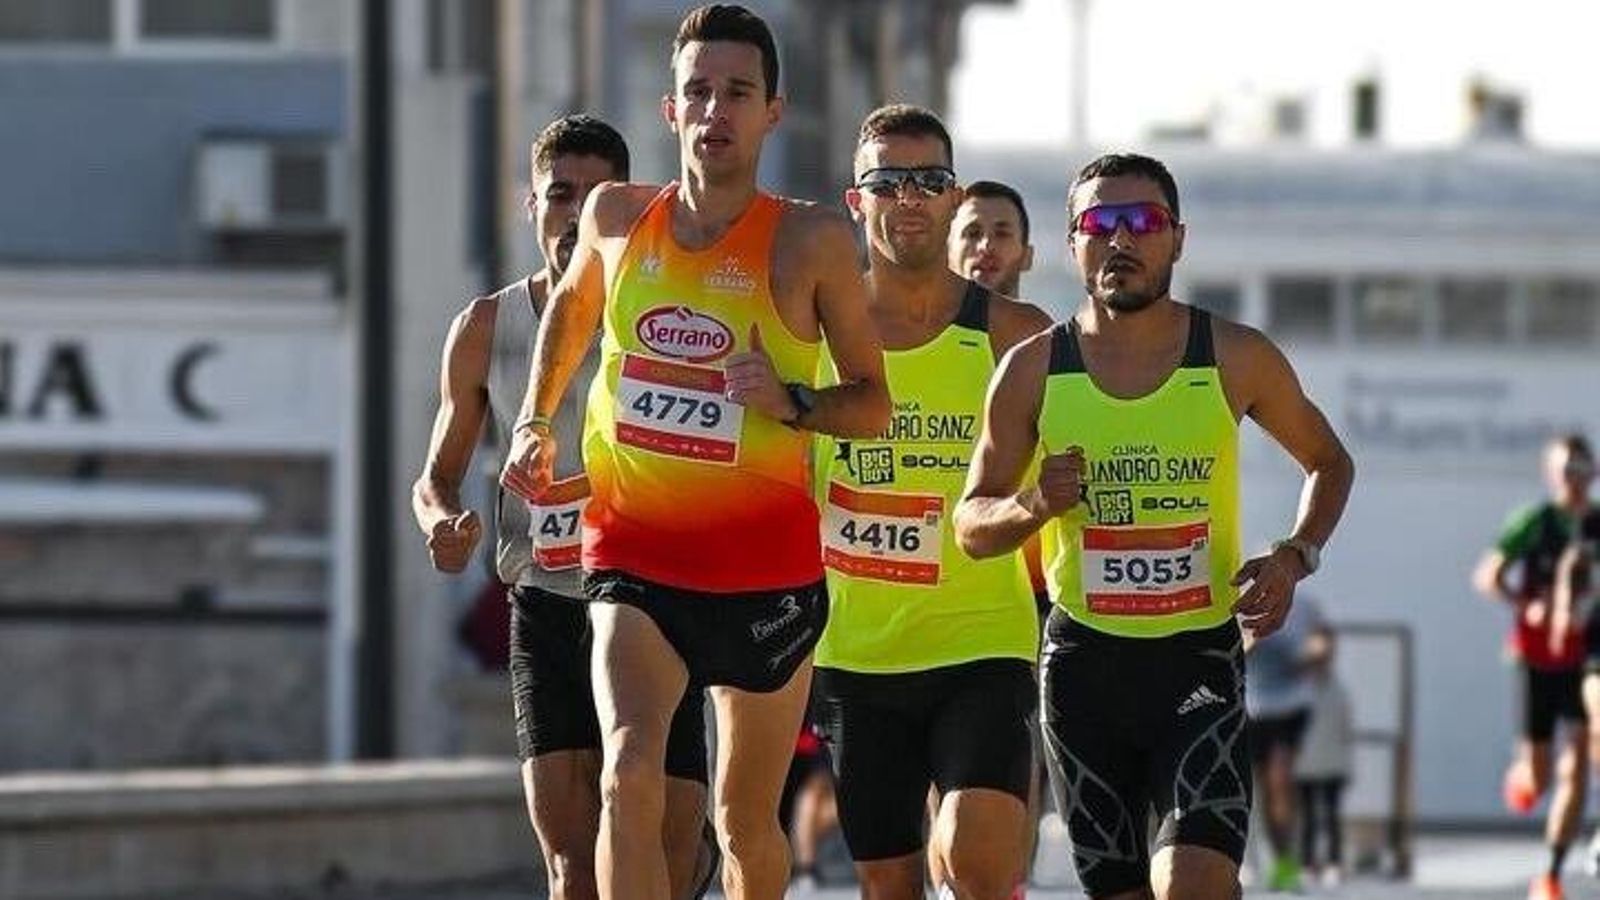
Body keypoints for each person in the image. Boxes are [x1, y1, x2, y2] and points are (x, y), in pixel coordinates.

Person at [498, 7, 890, 900]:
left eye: (737, 94)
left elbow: (871, 406)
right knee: (626, 773)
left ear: (771, 113)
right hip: (635, 551)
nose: (716, 111)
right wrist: (534, 419)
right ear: (670, 110)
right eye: (698, 93)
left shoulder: (813, 239)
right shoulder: (614, 215)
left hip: (765, 572)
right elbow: (570, 309)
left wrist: (788, 400)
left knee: (742, 821)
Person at [953, 152, 1354, 900]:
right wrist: (1036, 504)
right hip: (1083, 670)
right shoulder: (1031, 369)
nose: (1122, 240)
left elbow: (1329, 462)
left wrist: (1296, 556)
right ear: (1073, 243)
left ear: (1178, 238)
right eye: (1100, 223)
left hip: (1196, 661)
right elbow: (971, 523)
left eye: (1144, 221)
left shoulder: (1233, 355)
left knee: (1192, 883)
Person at [412, 115, 718, 900]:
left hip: (655, 603)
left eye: (594, 198)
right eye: (559, 196)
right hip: (546, 601)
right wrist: (441, 525)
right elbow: (436, 475)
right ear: (533, 206)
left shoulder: (672, 315)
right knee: (571, 865)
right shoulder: (486, 327)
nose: (574, 215)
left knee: (670, 856)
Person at [812, 104, 1052, 900]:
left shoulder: (1017, 334)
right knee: (890, 885)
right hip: (856, 652)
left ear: (952, 198)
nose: (909, 197)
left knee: (978, 860)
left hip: (983, 641)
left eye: (929, 181)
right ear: (858, 200)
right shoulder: (814, 329)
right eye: (888, 180)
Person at [942, 177, 1050, 894]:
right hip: (920, 578)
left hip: (1027, 584)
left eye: (1001, 233)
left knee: (1015, 757)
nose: (985, 248)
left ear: (1028, 251)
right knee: (936, 772)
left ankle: (1008, 880)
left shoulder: (1045, 341)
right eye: (972, 232)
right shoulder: (893, 332)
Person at [1475, 434, 1597, 900]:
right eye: (1568, 471)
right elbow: (1489, 575)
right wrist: (1525, 604)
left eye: (1584, 470)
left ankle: (1550, 874)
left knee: (1580, 762)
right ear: (1552, 474)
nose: (1577, 481)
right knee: (1542, 775)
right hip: (1538, 655)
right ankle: (1525, 773)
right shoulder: (1535, 522)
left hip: (1587, 657)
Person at [1244, 595, 1334, 891]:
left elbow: (1323, 641)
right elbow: (1234, 648)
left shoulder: (1305, 605)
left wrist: (1315, 655)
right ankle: (1254, 859)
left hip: (1291, 706)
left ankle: (1285, 862)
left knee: (1280, 779)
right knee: (1254, 790)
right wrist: (1252, 642)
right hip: (1252, 707)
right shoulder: (1243, 601)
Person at [1294, 642, 1354, 888]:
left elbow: (1344, 727)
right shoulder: (1301, 690)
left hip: (1332, 763)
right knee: (1308, 817)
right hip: (1305, 764)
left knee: (1331, 816)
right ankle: (1308, 864)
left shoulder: (1338, 691)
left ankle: (1334, 863)